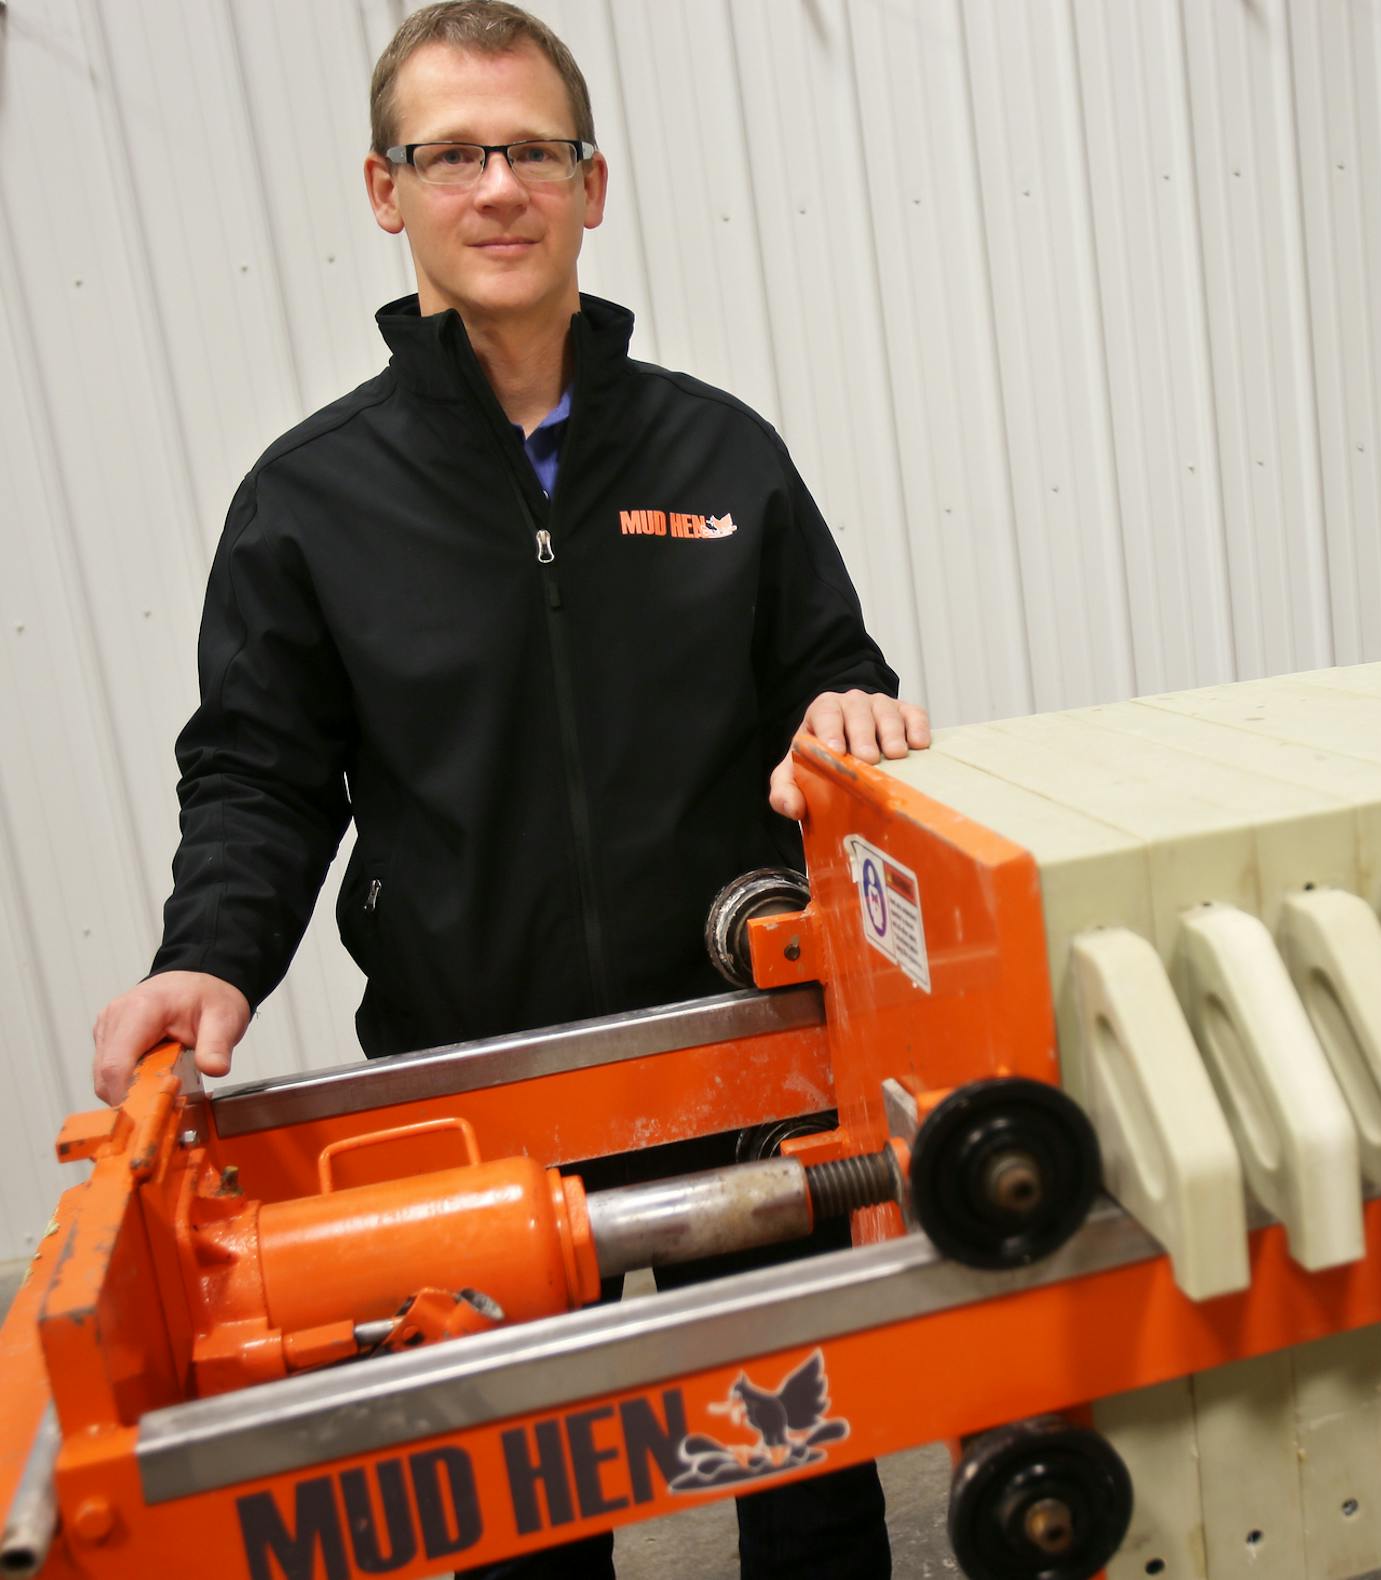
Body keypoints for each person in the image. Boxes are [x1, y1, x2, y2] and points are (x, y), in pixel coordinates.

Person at [85, 3, 921, 1575]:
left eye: (533, 150)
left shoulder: (720, 451)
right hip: (475, 1093)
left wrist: (849, 720)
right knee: (517, 1514)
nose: (497, 187)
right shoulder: (312, 500)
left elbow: (833, 673)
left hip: (745, 1061)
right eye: (452, 153)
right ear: (384, 189)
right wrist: (211, 951)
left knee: (811, 1470)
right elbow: (260, 770)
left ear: (592, 185)